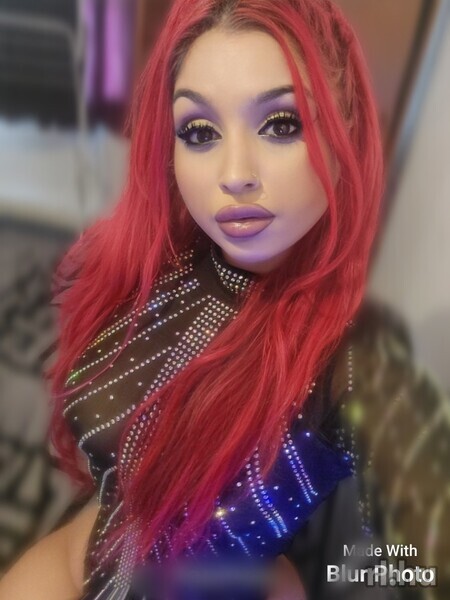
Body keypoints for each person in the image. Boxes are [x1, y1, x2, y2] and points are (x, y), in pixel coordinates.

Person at [0, 0, 384, 598]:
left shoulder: (355, 361)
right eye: (200, 132)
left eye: (282, 124)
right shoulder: (164, 264)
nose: (235, 173)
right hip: (69, 562)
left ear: (346, 131)